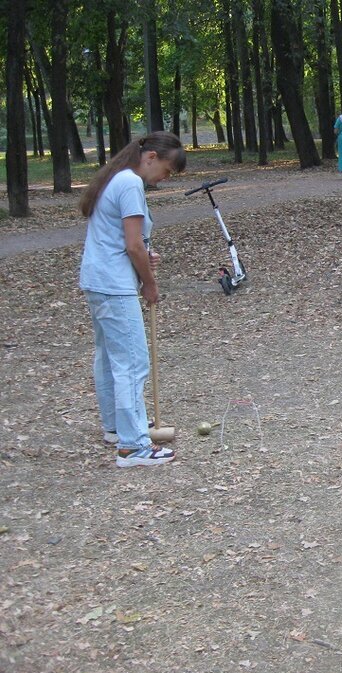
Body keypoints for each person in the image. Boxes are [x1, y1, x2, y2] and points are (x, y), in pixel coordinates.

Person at [78, 131, 187, 467]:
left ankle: (115, 427)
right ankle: (133, 446)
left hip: (98, 279)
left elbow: (130, 242)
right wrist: (149, 283)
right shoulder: (130, 184)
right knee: (132, 362)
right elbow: (133, 245)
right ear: (151, 156)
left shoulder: (117, 178)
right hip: (115, 285)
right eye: (167, 170)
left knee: (109, 357)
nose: (165, 178)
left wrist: (144, 260)